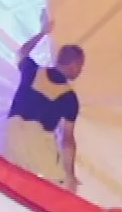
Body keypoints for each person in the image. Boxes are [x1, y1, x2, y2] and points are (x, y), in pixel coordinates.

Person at [5, 12, 83, 191]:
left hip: (13, 132)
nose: (80, 71)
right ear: (73, 65)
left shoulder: (32, 70)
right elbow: (68, 140)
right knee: (54, 186)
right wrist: (69, 174)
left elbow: (22, 52)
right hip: (38, 140)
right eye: (80, 66)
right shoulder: (69, 97)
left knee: (14, 184)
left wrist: (42, 32)